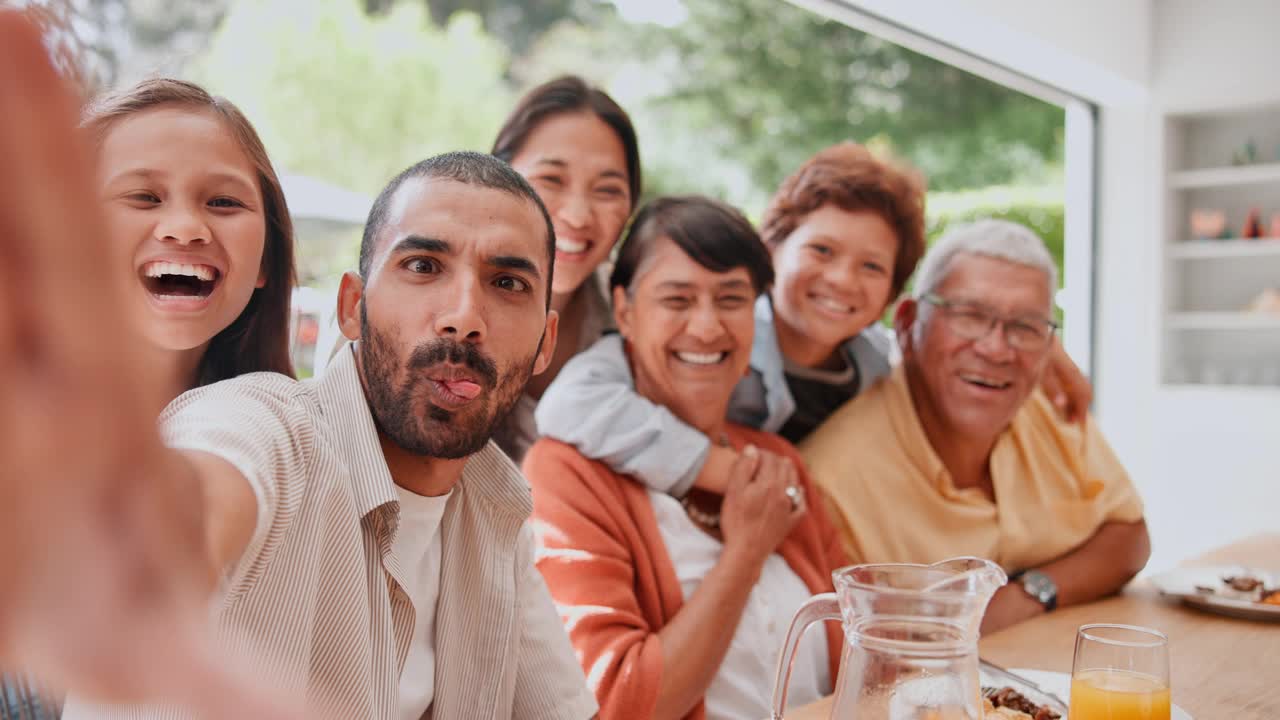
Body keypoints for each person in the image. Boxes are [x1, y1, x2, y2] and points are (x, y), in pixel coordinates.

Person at [59, 151, 598, 719]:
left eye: (508, 282)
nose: (463, 317)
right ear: (352, 306)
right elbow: (214, 470)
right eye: (422, 266)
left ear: (546, 343)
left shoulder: (497, 513)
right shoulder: (271, 428)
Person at [0, 11, 298, 717]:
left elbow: (210, 501)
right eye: (142, 196)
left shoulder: (277, 421)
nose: (186, 227)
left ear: (266, 264)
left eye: (223, 202)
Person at [534, 142, 1091, 501]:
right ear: (770, 249)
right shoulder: (716, 330)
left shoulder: (869, 361)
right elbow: (571, 403)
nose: (843, 281)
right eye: (821, 251)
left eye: (871, 267)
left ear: (890, 296)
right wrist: (731, 474)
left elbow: (941, 345)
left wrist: (1043, 350)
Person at [524, 197, 849, 720]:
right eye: (677, 300)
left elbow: (857, 633)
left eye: (731, 299)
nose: (705, 327)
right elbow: (612, 704)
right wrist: (745, 554)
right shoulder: (564, 475)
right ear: (625, 311)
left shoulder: (774, 457)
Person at [801, 219, 1150, 634]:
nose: (996, 349)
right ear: (909, 323)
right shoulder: (832, 479)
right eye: (969, 316)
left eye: (1025, 326)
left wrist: (1026, 594)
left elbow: (1130, 536)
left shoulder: (1050, 406)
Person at [489, 75, 641, 461]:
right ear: (497, 177)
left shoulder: (637, 323)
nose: (577, 215)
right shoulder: (425, 299)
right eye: (551, 180)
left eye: (607, 190)